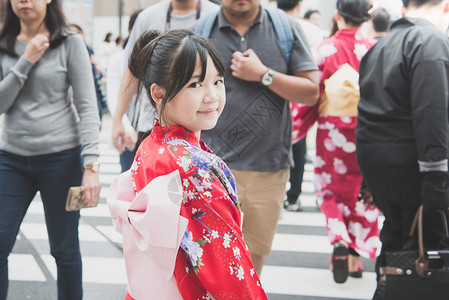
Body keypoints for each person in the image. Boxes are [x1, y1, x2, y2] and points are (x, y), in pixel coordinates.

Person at [107, 29, 268, 300]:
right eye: (195, 84)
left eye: (217, 81)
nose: (212, 96)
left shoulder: (150, 146)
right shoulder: (193, 169)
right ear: (158, 93)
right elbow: (227, 267)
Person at [196, 0, 320, 276]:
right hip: (210, 169)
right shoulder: (201, 31)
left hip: (269, 168)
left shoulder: (285, 28)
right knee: (208, 260)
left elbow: (311, 91)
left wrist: (264, 75)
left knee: (253, 260)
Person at [0, 0, 101, 299]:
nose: (24, 1)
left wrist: (91, 164)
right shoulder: (4, 43)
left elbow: (87, 105)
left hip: (62, 159)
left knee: (65, 249)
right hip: (11, 159)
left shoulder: (69, 42)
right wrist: (26, 59)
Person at [356, 0, 449, 291]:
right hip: (419, 175)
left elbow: (366, 114)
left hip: (384, 174)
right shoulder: (431, 42)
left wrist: (368, 182)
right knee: (427, 262)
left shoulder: (378, 47)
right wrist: (437, 185)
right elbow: (432, 116)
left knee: (399, 250)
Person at [296, 0, 380, 284]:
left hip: (333, 133)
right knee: (364, 190)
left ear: (339, 16)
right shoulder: (376, 49)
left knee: (329, 190)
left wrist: (295, 130)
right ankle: (355, 258)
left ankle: (339, 241)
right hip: (369, 130)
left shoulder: (324, 49)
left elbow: (310, 96)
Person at [111, 0, 219, 159]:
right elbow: (133, 70)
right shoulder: (147, 17)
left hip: (206, 126)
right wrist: (118, 119)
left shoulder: (216, 15)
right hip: (153, 125)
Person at [276, 0, 323, 212]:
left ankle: (278, 193)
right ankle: (294, 196)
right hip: (300, 97)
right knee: (299, 147)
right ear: (300, 4)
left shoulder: (269, 25)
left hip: (272, 96)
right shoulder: (312, 32)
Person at [106, 10, 142, 172]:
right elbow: (113, 95)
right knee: (129, 181)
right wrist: (126, 128)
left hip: (157, 132)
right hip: (129, 132)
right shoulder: (118, 59)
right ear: (130, 32)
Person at [69, 23, 108, 121]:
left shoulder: (89, 50)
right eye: (71, 33)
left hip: (91, 95)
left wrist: (95, 66)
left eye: (78, 33)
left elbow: (98, 74)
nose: (75, 36)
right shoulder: (62, 53)